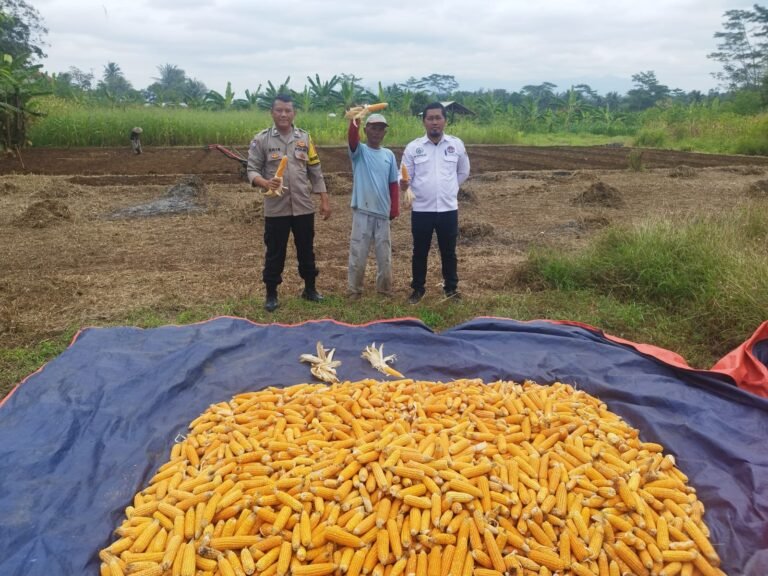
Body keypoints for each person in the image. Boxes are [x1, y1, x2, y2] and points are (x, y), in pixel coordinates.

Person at [246, 94, 331, 312]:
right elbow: (251, 170)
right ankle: (271, 293)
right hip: (276, 208)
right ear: (272, 113)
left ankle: (310, 289)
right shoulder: (262, 140)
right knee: (275, 252)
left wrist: (324, 198)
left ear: (294, 113)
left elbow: (315, 170)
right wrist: (265, 183)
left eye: (288, 111)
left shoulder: (305, 138)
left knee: (306, 250)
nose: (283, 114)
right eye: (279, 110)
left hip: (303, 206)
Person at [400, 102, 470, 304]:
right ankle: (417, 289)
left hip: (448, 209)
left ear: (445, 120)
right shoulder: (414, 147)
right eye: (430, 118)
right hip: (422, 209)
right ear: (424, 122)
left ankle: (451, 289)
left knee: (449, 251)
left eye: (438, 118)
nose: (434, 122)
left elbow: (463, 171)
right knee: (419, 251)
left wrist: (450, 188)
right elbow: (404, 175)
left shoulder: (456, 145)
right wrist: (403, 184)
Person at [347, 111, 400, 300]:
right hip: (362, 210)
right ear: (366, 130)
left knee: (384, 256)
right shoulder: (359, 151)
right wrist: (355, 119)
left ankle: (384, 290)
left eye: (380, 129)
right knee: (358, 253)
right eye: (373, 128)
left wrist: (394, 208)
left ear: (385, 132)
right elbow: (352, 138)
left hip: (383, 212)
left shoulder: (389, 155)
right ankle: (354, 290)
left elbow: (393, 184)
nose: (377, 132)